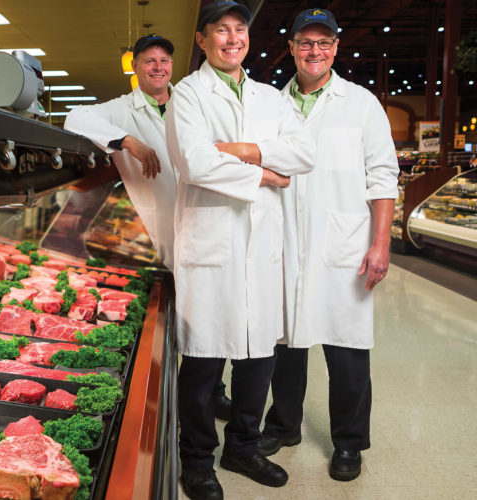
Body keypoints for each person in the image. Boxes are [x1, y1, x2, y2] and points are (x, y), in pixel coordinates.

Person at [164, 2, 315, 498]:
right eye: (221, 31)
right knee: (204, 359)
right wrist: (266, 173)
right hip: (212, 245)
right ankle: (198, 458)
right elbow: (195, 163)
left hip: (263, 246)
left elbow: (304, 153)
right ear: (203, 41)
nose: (233, 38)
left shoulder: (271, 97)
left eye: (240, 29)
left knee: (259, 357)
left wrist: (242, 150)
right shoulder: (186, 94)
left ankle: (243, 447)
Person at [258, 8, 399, 482]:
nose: (314, 51)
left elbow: (383, 177)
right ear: (293, 48)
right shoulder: (273, 106)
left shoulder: (361, 104)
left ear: (336, 47)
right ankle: (284, 425)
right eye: (305, 42)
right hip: (285, 242)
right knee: (285, 344)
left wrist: (381, 245)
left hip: (344, 246)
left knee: (347, 348)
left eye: (324, 42)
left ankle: (349, 442)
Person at [65, 33, 233, 419]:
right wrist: (130, 143)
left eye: (164, 61)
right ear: (136, 67)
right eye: (149, 61)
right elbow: (74, 117)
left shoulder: (192, 101)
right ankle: (180, 394)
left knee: (212, 310)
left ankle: (215, 391)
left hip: (206, 221)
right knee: (176, 319)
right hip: (160, 232)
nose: (158, 67)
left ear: (171, 67)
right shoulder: (123, 109)